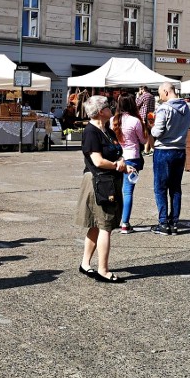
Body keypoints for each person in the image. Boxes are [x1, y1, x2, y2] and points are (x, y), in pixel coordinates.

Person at [76, 95, 132, 283]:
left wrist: (122, 162)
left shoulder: (106, 129)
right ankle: (103, 270)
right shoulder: (91, 131)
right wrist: (117, 166)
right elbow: (97, 161)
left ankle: (85, 264)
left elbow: (117, 153)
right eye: (109, 106)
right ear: (101, 111)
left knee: (96, 226)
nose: (112, 108)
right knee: (105, 227)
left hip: (108, 181)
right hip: (99, 183)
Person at [150, 83, 190, 236]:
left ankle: (163, 223)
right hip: (180, 150)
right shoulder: (186, 108)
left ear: (166, 92)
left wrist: (151, 128)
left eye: (160, 93)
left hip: (164, 151)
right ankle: (174, 223)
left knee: (160, 188)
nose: (159, 97)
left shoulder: (164, 108)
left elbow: (158, 131)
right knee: (175, 188)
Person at [111, 93, 147, 234]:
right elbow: (143, 141)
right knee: (127, 191)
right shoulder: (135, 121)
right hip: (132, 158)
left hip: (117, 158)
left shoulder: (112, 120)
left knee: (115, 190)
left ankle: (114, 220)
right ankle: (125, 223)